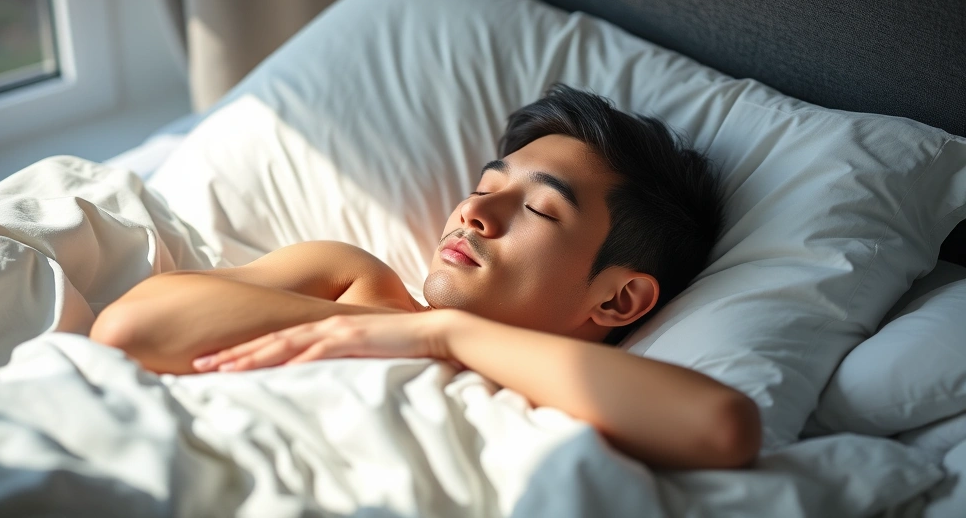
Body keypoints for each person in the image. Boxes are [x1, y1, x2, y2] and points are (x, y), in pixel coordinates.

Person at [90, 84, 761, 470]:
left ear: (617, 298)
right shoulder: (349, 281)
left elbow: (722, 426)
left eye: (535, 207)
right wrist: (394, 327)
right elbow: (128, 328)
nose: (473, 211)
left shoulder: (590, 407)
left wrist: (445, 337)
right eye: (483, 187)